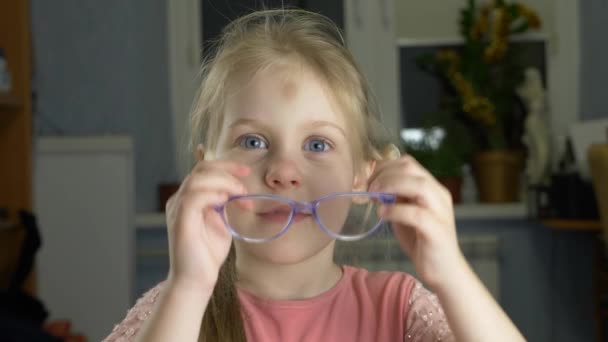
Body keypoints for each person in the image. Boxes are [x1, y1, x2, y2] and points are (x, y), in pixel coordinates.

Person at [104, 9, 524, 342]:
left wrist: (450, 273)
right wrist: (188, 285)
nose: (284, 173)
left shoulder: (398, 308)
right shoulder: (176, 306)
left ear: (362, 179)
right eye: (253, 141)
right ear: (203, 170)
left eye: (318, 145)